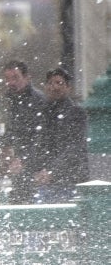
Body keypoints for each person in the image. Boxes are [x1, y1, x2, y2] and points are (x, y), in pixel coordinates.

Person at [29, 68, 89, 203]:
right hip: (47, 182)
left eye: (59, 83)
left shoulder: (76, 112)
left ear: (68, 87)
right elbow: (39, 145)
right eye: (50, 83)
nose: (54, 87)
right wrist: (38, 170)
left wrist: (52, 172)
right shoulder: (42, 112)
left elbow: (74, 147)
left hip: (70, 180)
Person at [0, 60, 45, 204]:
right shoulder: (12, 100)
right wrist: (5, 149)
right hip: (19, 167)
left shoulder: (38, 100)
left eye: (15, 77)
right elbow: (11, 130)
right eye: (7, 78)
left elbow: (42, 137)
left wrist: (24, 159)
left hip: (36, 167)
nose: (11, 82)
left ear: (27, 77)